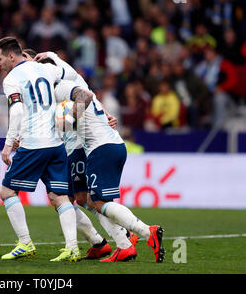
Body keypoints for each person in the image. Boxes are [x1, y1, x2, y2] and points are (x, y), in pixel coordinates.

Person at [35, 53, 165, 263]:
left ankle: (145, 233)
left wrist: (65, 123)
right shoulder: (72, 83)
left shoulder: (61, 88)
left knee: (93, 202)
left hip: (99, 147)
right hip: (106, 145)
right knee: (93, 201)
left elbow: (82, 102)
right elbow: (88, 96)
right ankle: (124, 243)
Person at [0, 36, 80, 262]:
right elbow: (70, 75)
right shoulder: (45, 69)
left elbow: (18, 111)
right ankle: (72, 248)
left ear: (12, 56)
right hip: (56, 143)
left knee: (7, 192)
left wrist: (8, 144)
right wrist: (53, 57)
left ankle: (25, 242)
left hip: (33, 144)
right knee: (59, 197)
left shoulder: (12, 78)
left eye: (0, 59)